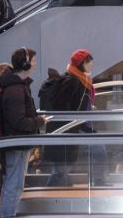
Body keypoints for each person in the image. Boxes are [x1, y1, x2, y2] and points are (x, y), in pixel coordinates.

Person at [45, 49, 108, 187]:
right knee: (62, 169)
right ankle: (52, 192)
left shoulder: (81, 79)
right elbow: (62, 105)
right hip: (72, 127)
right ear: (81, 64)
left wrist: (88, 108)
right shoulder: (73, 80)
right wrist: (77, 117)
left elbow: (78, 101)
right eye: (89, 62)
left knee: (64, 167)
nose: (91, 65)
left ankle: (98, 182)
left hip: (79, 126)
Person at [0, 48, 47, 218]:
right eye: (33, 60)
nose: (35, 64)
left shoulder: (16, 87)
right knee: (15, 185)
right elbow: (18, 121)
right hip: (17, 144)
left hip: (18, 143)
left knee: (13, 183)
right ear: (25, 63)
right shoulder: (16, 90)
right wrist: (39, 121)